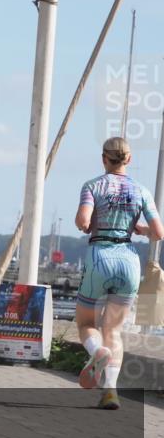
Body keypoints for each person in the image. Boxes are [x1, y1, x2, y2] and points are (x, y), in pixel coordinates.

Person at [74, 137, 162, 409]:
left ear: (104, 158)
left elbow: (82, 221)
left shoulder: (92, 186)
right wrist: (139, 230)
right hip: (128, 261)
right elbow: (158, 233)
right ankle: (110, 390)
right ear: (129, 160)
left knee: (86, 322)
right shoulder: (141, 191)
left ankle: (95, 351)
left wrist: (90, 223)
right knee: (114, 329)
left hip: (100, 256)